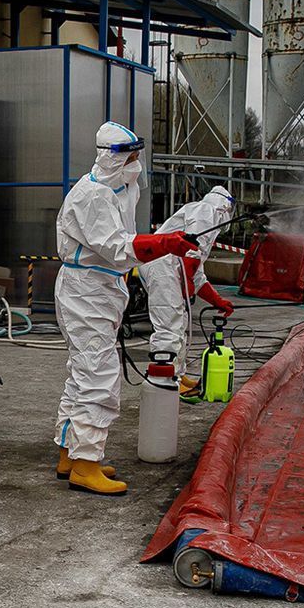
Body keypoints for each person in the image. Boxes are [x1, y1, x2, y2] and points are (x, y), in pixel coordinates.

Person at [52, 122, 196, 495]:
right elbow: (118, 247)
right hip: (87, 289)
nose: (136, 164)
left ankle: (72, 455)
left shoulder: (120, 188)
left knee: (82, 371)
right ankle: (85, 465)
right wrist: (165, 244)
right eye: (131, 157)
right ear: (112, 158)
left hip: (100, 288)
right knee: (97, 374)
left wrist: (161, 241)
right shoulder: (92, 196)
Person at [142, 184, 236, 394]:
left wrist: (217, 301)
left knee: (179, 324)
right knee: (169, 326)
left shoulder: (206, 219)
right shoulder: (206, 211)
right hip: (162, 265)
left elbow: (198, 273)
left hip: (169, 268)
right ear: (225, 207)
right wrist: (188, 284)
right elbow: (191, 252)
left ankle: (178, 375)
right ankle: (166, 383)